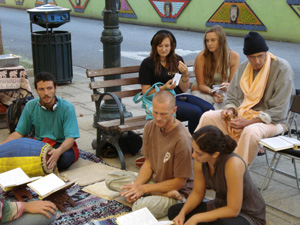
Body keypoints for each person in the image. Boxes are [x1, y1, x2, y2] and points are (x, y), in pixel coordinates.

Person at [195, 31, 295, 165]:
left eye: (260, 56)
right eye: (252, 57)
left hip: (273, 121)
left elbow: (280, 111)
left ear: (266, 52)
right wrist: (230, 110)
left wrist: (248, 122)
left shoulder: (282, 68)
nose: (257, 61)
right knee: (208, 116)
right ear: (247, 56)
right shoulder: (245, 67)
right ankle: (200, 161)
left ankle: (236, 171)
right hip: (243, 115)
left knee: (250, 131)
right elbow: (232, 96)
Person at [106, 91, 193, 218]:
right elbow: (148, 163)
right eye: (155, 112)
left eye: (163, 114)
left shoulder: (182, 139)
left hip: (178, 191)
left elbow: (179, 183)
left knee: (139, 208)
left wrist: (143, 189)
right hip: (156, 182)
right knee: (110, 178)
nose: (158, 118)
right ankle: (162, 193)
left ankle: (155, 194)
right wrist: (137, 186)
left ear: (174, 110)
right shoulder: (150, 127)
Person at [168, 125, 266, 225]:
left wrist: (197, 218)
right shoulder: (200, 160)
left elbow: (233, 210)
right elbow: (197, 193)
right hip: (221, 205)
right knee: (174, 212)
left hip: (246, 213)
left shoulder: (233, 164)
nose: (193, 155)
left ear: (215, 154)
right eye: (194, 150)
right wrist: (182, 213)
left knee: (215, 223)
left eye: (199, 153)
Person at [0, 72, 80, 171]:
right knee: (15, 154)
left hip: (61, 145)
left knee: (64, 159)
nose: (46, 93)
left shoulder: (67, 107)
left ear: (56, 88)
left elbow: (70, 139)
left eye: (49, 88)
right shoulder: (30, 105)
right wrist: (2, 145)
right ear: (36, 91)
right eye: (41, 89)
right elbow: (19, 133)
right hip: (39, 144)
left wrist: (58, 152)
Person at [139, 29, 214, 134]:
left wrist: (185, 74)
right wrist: (163, 88)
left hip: (180, 96)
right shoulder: (147, 64)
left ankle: (207, 138)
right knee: (196, 112)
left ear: (172, 46)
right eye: (160, 46)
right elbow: (145, 92)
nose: (163, 49)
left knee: (209, 109)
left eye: (167, 46)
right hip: (162, 101)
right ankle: (194, 141)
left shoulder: (177, 60)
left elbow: (183, 88)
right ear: (154, 47)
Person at [191, 25, 240, 110]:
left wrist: (227, 86)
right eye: (207, 41)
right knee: (214, 106)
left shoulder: (233, 57)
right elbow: (201, 85)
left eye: (213, 40)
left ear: (221, 40)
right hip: (202, 92)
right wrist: (212, 92)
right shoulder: (202, 57)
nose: (209, 43)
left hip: (220, 93)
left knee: (232, 104)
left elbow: (231, 84)